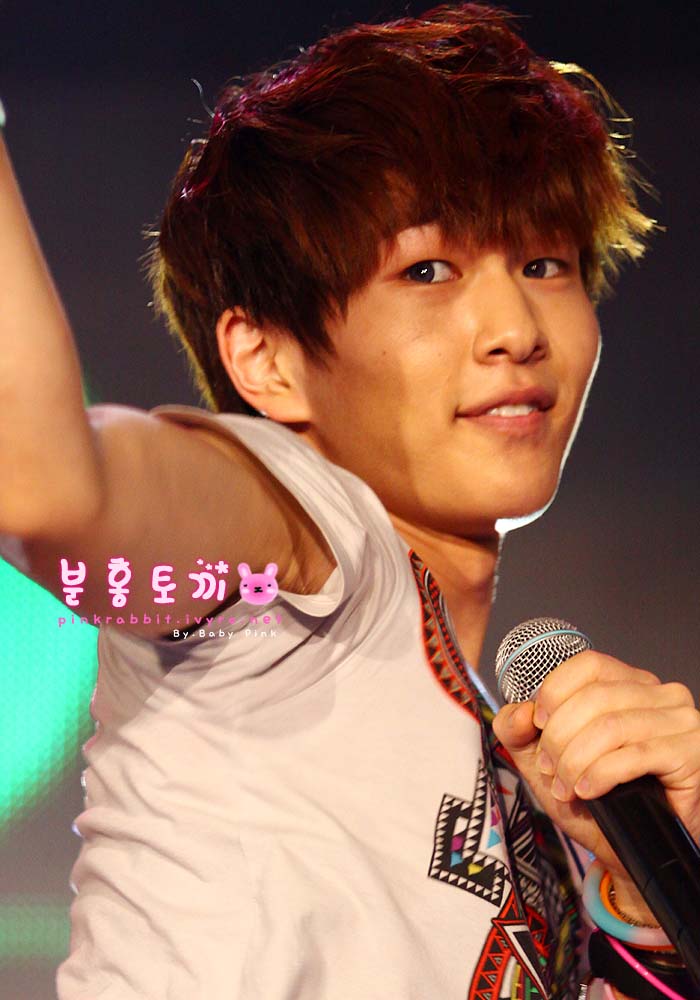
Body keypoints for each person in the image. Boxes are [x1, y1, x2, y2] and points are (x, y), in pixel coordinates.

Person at [1, 3, 698, 998]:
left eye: (544, 263)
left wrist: (648, 901)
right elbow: (47, 486)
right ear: (268, 360)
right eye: (427, 270)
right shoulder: (297, 536)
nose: (514, 327)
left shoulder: (533, 793)